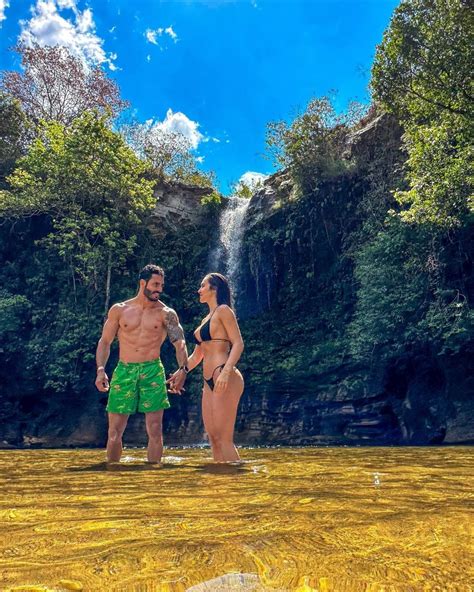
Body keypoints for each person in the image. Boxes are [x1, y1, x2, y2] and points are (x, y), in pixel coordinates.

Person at [95, 264, 188, 464]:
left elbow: (180, 343)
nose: (159, 289)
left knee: (155, 430)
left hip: (152, 370)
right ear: (142, 283)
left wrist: (183, 370)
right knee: (114, 432)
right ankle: (112, 474)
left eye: (161, 285)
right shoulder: (119, 310)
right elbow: (105, 342)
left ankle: (153, 477)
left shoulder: (166, 313)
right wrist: (100, 369)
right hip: (124, 370)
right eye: (155, 284)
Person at [169, 273, 244, 462]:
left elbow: (238, 343)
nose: (199, 290)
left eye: (203, 286)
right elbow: (197, 355)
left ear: (214, 289)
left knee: (224, 438)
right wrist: (182, 372)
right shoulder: (205, 320)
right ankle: (219, 485)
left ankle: (239, 486)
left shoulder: (224, 311)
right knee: (213, 438)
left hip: (224, 374)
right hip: (208, 381)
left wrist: (226, 372)